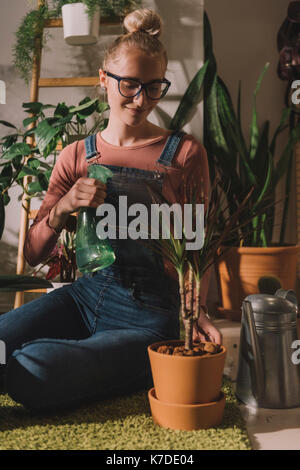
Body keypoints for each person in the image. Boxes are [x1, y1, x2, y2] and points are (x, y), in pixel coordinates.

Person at [0, 8, 221, 411]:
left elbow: (196, 247)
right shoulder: (75, 156)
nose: (141, 100)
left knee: (31, 371)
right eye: (130, 85)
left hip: (152, 317)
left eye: (154, 88)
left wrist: (197, 312)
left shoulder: (185, 155)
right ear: (104, 79)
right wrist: (64, 206)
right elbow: (33, 253)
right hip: (85, 296)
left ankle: (96, 360)